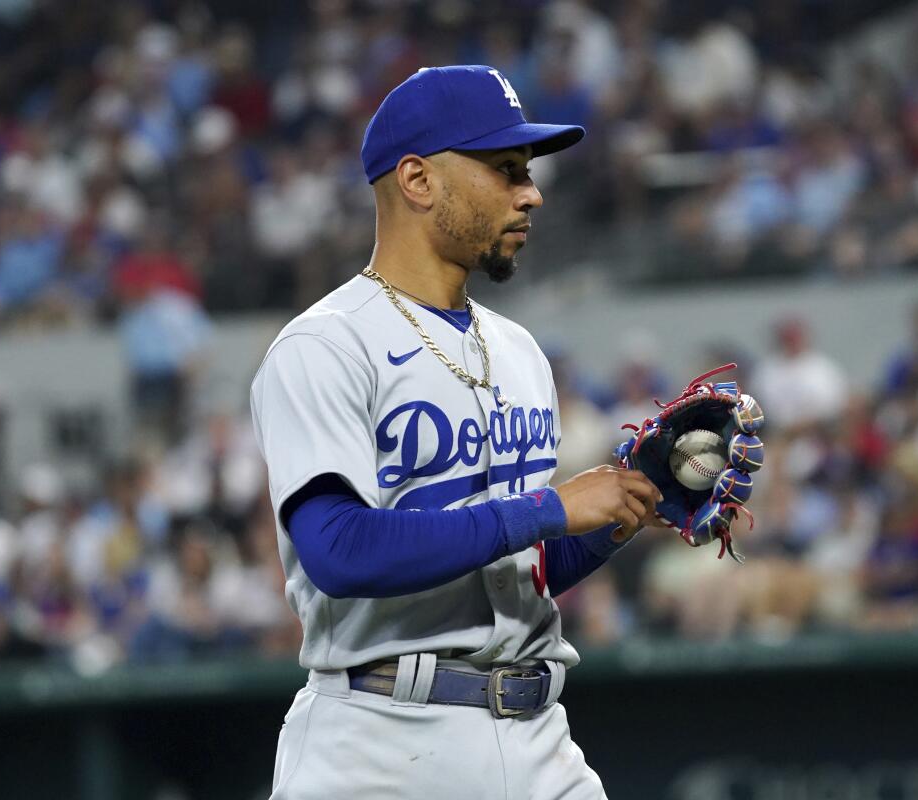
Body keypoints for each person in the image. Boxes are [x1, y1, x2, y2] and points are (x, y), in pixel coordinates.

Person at [250, 65, 665, 799]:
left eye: (527, 172)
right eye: (505, 170)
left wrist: (633, 504)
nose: (531, 192)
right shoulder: (325, 346)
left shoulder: (520, 352)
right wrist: (552, 508)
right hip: (380, 741)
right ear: (417, 180)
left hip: (539, 737)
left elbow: (512, 574)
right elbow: (340, 554)